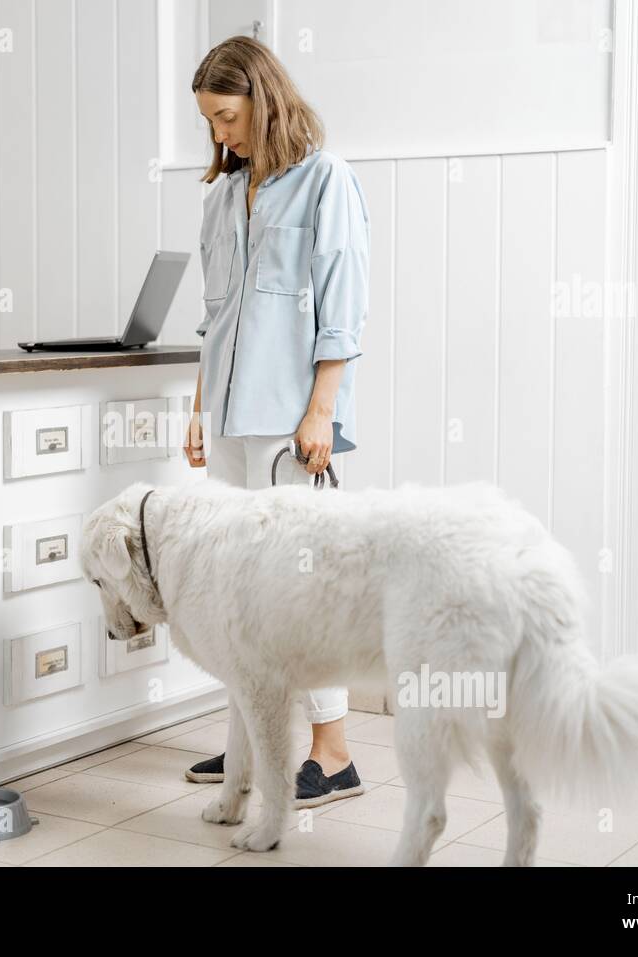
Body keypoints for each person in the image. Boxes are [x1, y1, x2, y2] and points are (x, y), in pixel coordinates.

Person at [180, 36, 372, 808]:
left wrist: (322, 411)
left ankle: (334, 751)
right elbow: (215, 317)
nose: (221, 135)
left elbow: (343, 307)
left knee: (300, 593)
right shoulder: (223, 197)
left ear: (264, 98)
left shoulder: (326, 181)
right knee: (236, 591)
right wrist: (197, 408)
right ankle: (249, 751)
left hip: (291, 423)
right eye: (210, 124)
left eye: (228, 116)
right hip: (230, 419)